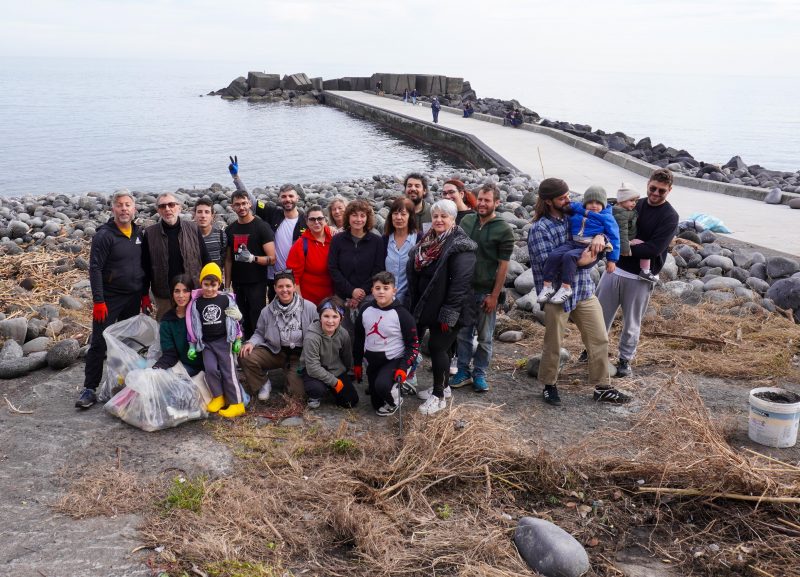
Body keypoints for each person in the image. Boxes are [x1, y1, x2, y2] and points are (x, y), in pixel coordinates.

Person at [528, 178, 628, 406]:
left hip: (583, 290)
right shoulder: (539, 229)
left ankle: (602, 387)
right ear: (548, 201)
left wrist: (600, 238)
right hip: (556, 294)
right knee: (553, 343)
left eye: (567, 196)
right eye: (562, 197)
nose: (568, 200)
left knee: (599, 338)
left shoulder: (575, 216)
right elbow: (546, 267)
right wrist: (584, 260)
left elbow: (601, 239)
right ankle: (549, 385)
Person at [596, 168, 679, 378]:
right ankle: (592, 350)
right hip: (614, 269)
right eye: (653, 188)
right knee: (599, 316)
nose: (656, 194)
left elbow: (654, 249)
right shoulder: (633, 204)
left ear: (669, 190)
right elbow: (609, 223)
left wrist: (621, 248)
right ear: (647, 184)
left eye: (661, 191)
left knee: (632, 323)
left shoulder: (670, 216)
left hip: (641, 278)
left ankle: (625, 360)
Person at [76, 190, 148, 409]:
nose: (124, 209)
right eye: (119, 205)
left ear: (134, 209)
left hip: (133, 296)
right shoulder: (104, 235)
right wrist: (99, 301)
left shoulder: (138, 233)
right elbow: (95, 268)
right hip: (109, 298)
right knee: (99, 343)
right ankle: (89, 388)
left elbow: (144, 265)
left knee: (129, 342)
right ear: (113, 209)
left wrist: (144, 293)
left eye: (128, 205)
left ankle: (126, 382)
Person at [407, 199, 477, 415]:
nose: (438, 220)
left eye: (443, 216)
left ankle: (438, 397)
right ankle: (444, 388)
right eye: (435, 216)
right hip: (431, 304)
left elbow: (460, 284)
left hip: (451, 309)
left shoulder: (461, 245)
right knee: (443, 349)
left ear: (453, 219)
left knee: (437, 347)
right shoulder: (430, 240)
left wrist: (449, 315)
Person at [453, 183, 515, 392]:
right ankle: (463, 370)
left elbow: (503, 265)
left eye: (487, 200)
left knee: (485, 337)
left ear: (497, 203)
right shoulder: (468, 220)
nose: (482, 203)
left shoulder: (503, 229)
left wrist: (495, 296)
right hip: (464, 290)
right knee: (463, 334)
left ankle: (480, 373)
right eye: (480, 199)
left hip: (486, 292)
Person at [238, 270, 318, 401]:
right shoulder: (267, 311)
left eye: (288, 286)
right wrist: (250, 343)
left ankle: (290, 378)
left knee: (298, 396)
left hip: (299, 355)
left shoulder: (309, 307)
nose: (284, 290)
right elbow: (259, 333)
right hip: (275, 351)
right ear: (274, 288)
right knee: (244, 355)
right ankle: (263, 383)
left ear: (294, 286)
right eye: (280, 286)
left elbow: (317, 333)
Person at [535, 185, 620, 305]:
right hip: (573, 242)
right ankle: (547, 285)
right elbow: (570, 205)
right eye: (590, 202)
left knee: (569, 256)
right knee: (554, 255)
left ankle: (566, 287)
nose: (594, 205)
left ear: (604, 204)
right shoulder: (578, 209)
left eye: (598, 203)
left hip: (587, 245)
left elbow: (615, 237)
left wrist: (612, 260)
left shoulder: (606, 217)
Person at [354, 272, 419, 417]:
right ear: (372, 290)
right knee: (376, 404)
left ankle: (396, 398)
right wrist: (357, 362)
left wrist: (403, 367)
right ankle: (396, 385)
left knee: (382, 387)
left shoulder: (403, 315)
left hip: (394, 360)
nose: (381, 291)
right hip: (373, 361)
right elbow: (358, 337)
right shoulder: (365, 310)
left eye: (386, 288)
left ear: (394, 290)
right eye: (377, 288)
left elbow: (413, 345)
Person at [186, 263, 245, 418]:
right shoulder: (196, 303)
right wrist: (192, 344)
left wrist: (238, 338)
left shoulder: (225, 299)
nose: (210, 288)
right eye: (206, 284)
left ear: (219, 284)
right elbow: (192, 324)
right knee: (210, 369)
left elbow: (234, 320)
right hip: (206, 343)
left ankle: (236, 403)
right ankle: (218, 396)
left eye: (214, 285)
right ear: (201, 283)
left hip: (224, 341)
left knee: (228, 371)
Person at [142, 192, 211, 320]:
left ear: (179, 207)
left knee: (194, 326)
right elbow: (145, 267)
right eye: (163, 206)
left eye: (171, 204)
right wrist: (144, 294)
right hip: (164, 294)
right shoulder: (150, 234)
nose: (167, 209)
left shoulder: (193, 229)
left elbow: (206, 259)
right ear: (158, 210)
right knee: (166, 328)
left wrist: (213, 284)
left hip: (192, 290)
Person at [224, 189, 276, 341]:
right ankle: (242, 349)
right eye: (237, 204)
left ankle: (258, 348)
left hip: (257, 282)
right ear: (232, 207)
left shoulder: (261, 227)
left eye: (244, 203)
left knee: (257, 316)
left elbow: (272, 259)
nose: (241, 207)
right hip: (238, 283)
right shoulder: (230, 229)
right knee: (240, 317)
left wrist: (253, 258)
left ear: (250, 204)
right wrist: (227, 287)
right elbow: (228, 260)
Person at [327, 199, 385, 329]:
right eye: (354, 215)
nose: (358, 219)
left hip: (368, 295)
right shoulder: (337, 240)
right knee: (343, 334)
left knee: (368, 331)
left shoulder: (376, 241)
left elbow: (378, 270)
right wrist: (351, 291)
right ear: (348, 217)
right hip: (342, 295)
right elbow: (333, 268)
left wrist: (360, 293)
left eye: (362, 215)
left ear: (367, 218)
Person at [301, 296, 359, 410]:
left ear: (341, 318)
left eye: (335, 316)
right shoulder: (312, 336)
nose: (330, 321)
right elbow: (312, 367)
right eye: (326, 316)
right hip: (314, 370)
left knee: (350, 401)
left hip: (335, 369)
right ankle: (315, 395)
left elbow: (346, 356)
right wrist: (334, 382)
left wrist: (347, 372)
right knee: (316, 388)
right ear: (320, 317)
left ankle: (329, 387)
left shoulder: (343, 334)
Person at [152, 274, 204, 376]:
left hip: (210, 365)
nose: (181, 295)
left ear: (192, 292)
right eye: (177, 291)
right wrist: (156, 369)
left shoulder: (201, 312)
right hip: (186, 367)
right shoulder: (167, 321)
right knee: (163, 380)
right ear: (172, 293)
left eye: (185, 291)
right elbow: (169, 354)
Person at [285, 205, 334, 305]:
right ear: (307, 222)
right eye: (312, 219)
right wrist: (300, 302)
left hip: (333, 298)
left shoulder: (335, 238)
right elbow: (294, 277)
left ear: (325, 220)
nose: (316, 222)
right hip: (310, 300)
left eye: (320, 218)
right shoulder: (300, 245)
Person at [613, 182, 657, 284]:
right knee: (642, 244)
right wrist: (625, 249)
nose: (634, 203)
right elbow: (622, 231)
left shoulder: (624, 210)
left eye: (636, 201)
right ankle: (645, 271)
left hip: (626, 238)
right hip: (624, 240)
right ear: (622, 200)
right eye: (631, 200)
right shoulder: (621, 214)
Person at [383, 196, 418, 306]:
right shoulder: (384, 239)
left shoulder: (419, 239)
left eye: (403, 214)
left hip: (410, 299)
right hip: (386, 299)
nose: (398, 217)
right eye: (395, 213)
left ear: (410, 217)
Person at [193, 197, 227, 275]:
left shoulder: (221, 236)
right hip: (195, 284)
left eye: (207, 212)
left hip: (215, 283)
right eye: (199, 212)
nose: (203, 216)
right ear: (194, 215)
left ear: (212, 216)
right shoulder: (188, 237)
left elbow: (225, 261)